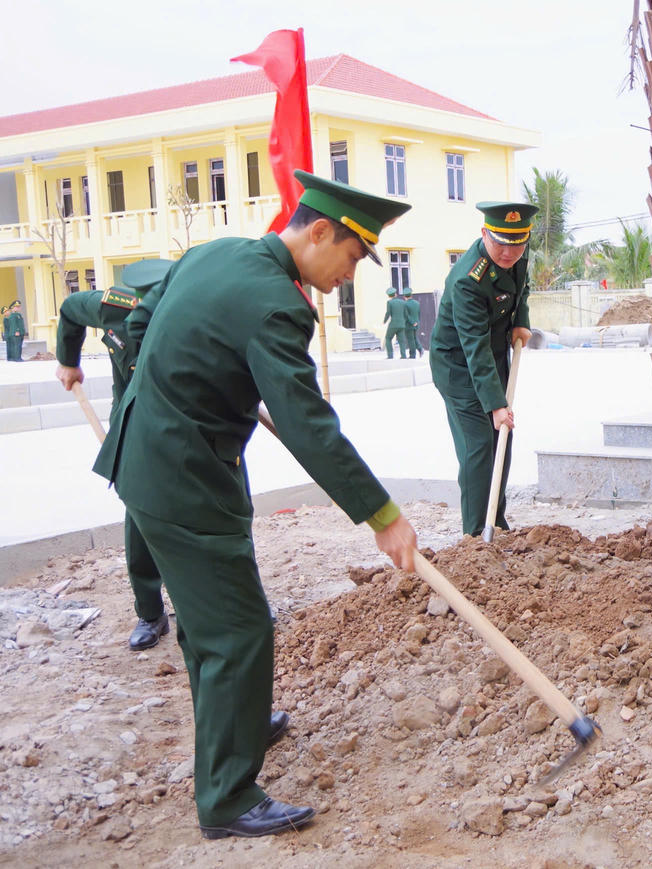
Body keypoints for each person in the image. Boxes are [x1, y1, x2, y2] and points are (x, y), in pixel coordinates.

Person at [93, 170, 420, 840]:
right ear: (320, 231)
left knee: (213, 620)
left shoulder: (217, 251)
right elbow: (309, 425)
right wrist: (383, 514)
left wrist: (174, 385)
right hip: (185, 477)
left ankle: (236, 723)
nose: (349, 273)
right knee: (240, 631)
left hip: (149, 458)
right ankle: (227, 797)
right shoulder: (278, 305)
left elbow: (143, 317)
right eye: (353, 256)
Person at [55, 258, 174, 650]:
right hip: (134, 421)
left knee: (223, 508)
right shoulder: (113, 306)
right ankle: (150, 613)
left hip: (188, 422)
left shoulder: (193, 311)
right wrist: (68, 361)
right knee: (139, 515)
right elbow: (71, 310)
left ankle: (237, 603)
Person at [429, 201, 536, 536]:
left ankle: (496, 521)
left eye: (517, 244)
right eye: (500, 243)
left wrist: (521, 321)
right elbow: (473, 346)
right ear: (483, 234)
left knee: (503, 435)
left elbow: (521, 291)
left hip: (494, 354)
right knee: (479, 444)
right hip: (459, 366)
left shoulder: (519, 254)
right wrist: (495, 405)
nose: (508, 253)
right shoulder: (467, 280)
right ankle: (476, 534)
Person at [383, 287, 410, 358]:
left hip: (393, 324)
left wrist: (384, 321)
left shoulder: (389, 302)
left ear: (389, 296)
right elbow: (406, 314)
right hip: (402, 325)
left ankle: (390, 355)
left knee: (388, 338)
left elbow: (388, 313)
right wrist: (405, 322)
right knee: (402, 341)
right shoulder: (403, 302)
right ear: (395, 294)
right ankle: (403, 356)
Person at [402, 285, 424, 356]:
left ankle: (412, 355)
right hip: (416, 323)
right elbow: (419, 314)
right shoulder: (417, 303)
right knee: (414, 338)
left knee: (410, 340)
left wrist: (412, 322)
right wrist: (417, 322)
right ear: (411, 295)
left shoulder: (405, 304)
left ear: (404, 296)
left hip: (409, 325)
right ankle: (420, 349)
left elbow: (407, 315)